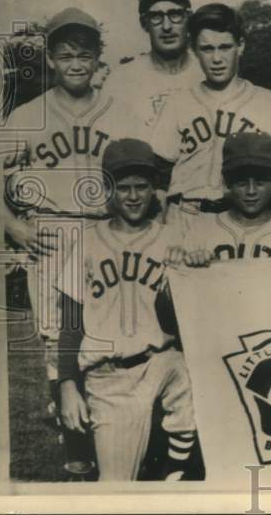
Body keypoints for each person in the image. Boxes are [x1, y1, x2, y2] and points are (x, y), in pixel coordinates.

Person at [0, 7, 142, 473]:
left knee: (105, 336)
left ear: (99, 58)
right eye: (65, 55)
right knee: (57, 343)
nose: (75, 63)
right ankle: (76, 450)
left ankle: (113, 436)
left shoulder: (122, 111)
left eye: (84, 54)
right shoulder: (27, 114)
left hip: (104, 228)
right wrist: (12, 225)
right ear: (50, 60)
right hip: (52, 231)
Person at [56, 138, 197, 481]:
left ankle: (175, 473)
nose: (133, 196)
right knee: (116, 486)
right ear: (108, 190)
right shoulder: (88, 240)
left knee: (195, 375)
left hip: (163, 361)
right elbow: (71, 322)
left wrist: (188, 269)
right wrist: (67, 385)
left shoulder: (171, 239)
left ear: (154, 190)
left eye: (142, 187)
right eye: (123, 188)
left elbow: (188, 317)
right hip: (111, 375)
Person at [149, 3, 271, 216]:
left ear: (240, 46)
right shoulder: (178, 103)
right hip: (185, 213)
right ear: (194, 50)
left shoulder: (269, 103)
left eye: (224, 47)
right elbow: (159, 173)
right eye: (207, 49)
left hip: (239, 217)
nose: (216, 59)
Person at [168, 132, 271, 267]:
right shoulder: (201, 231)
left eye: (260, 182)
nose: (251, 191)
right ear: (226, 181)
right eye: (241, 182)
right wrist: (190, 261)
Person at [105, 0, 205, 129]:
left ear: (188, 17)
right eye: (156, 16)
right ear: (144, 23)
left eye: (175, 14)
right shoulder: (120, 82)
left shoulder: (207, 71)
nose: (166, 26)